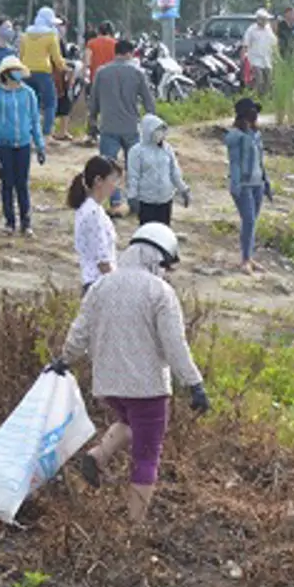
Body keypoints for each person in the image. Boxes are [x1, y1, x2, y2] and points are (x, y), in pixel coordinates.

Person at [59, 223, 206, 524]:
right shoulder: (160, 292)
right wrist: (194, 384)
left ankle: (98, 456)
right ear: (155, 258)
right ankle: (133, 528)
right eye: (165, 265)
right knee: (147, 456)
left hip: (109, 386)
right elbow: (174, 345)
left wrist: (64, 359)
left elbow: (80, 331)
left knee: (129, 422)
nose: (165, 272)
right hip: (148, 388)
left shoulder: (102, 285)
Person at [87, 39, 156, 215]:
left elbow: (93, 100)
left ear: (115, 52)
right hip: (131, 127)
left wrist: (92, 122)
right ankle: (135, 203)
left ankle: (115, 201)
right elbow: (149, 102)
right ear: (129, 53)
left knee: (109, 167)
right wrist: (152, 125)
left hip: (108, 126)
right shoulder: (137, 72)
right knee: (134, 166)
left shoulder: (102, 73)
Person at [0, 55, 46, 237]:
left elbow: (35, 120)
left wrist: (40, 145)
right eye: (14, 70)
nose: (18, 73)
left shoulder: (28, 93)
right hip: (2, 145)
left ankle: (26, 223)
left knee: (22, 184)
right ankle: (9, 222)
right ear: (6, 73)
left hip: (24, 144)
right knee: (7, 183)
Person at [225, 97, 270, 274]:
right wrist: (236, 185)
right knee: (249, 220)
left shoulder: (256, 135)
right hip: (244, 185)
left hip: (257, 183)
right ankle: (245, 259)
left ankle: (249, 256)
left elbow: (260, 160)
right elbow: (234, 163)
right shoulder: (236, 137)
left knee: (252, 222)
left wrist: (266, 181)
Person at [125, 114, 189, 227]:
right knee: (148, 233)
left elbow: (174, 171)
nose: (160, 133)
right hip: (146, 201)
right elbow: (133, 176)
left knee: (163, 233)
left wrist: (183, 189)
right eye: (157, 130)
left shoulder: (167, 148)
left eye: (162, 129)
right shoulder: (136, 152)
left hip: (165, 200)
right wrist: (132, 197)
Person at [70, 155, 121, 292]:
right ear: (99, 181)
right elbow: (102, 259)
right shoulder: (93, 213)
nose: (115, 186)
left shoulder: (90, 208)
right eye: (113, 180)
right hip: (99, 285)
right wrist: (118, 287)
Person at [18, 7, 67, 141]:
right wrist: (64, 67)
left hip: (26, 71)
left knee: (29, 103)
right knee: (50, 102)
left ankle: (26, 131)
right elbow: (56, 58)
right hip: (43, 71)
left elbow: (21, 55)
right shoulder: (51, 35)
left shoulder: (25, 35)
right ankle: (46, 134)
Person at [244, 9, 277, 91]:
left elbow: (274, 43)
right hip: (255, 58)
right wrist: (244, 56)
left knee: (268, 80)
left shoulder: (268, 30)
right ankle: (256, 97)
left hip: (266, 59)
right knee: (259, 79)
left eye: (265, 19)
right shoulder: (251, 30)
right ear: (258, 19)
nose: (264, 21)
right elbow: (245, 44)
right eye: (262, 19)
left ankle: (264, 98)